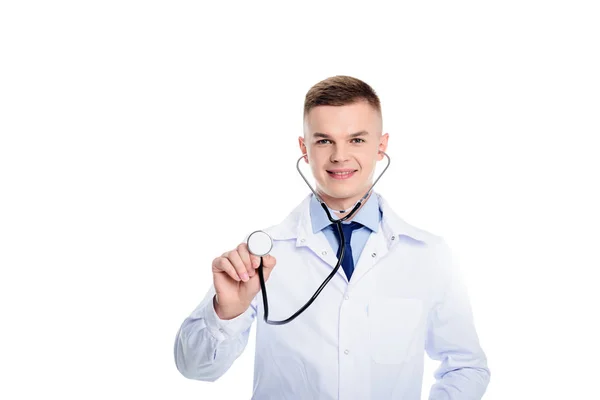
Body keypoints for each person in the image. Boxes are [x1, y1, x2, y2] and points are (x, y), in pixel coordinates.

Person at [173, 75, 490, 399]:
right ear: (304, 148)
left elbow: (466, 367)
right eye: (324, 140)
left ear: (381, 146)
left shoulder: (429, 255)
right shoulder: (260, 257)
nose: (340, 156)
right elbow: (193, 366)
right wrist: (226, 314)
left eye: (356, 140)